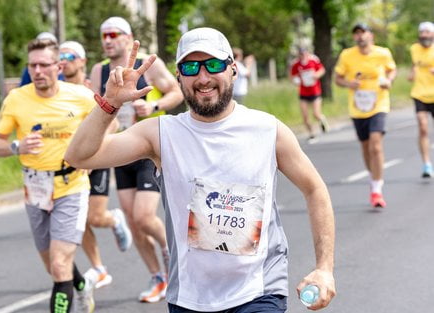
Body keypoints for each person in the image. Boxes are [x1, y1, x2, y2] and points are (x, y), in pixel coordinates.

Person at [66, 27, 336, 312]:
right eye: (191, 67)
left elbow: (315, 188)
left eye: (214, 65)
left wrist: (325, 268)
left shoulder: (268, 130)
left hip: (260, 290)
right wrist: (111, 103)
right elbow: (79, 156)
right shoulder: (160, 134)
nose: (203, 77)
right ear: (179, 75)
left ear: (233, 69)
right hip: (190, 297)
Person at [0, 38, 95, 313]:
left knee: (59, 265)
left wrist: (93, 157)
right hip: (35, 188)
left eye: (44, 65)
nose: (37, 71)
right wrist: (16, 146)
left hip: (72, 185)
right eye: (32, 65)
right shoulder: (17, 99)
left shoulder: (80, 96)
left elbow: (110, 124)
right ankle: (81, 286)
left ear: (58, 66)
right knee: (54, 265)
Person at [89, 16, 183, 303]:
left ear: (128, 38)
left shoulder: (148, 64)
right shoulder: (99, 70)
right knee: (132, 218)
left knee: (144, 216)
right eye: (104, 35)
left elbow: (176, 92)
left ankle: (174, 258)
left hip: (148, 148)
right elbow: (93, 105)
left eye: (114, 34)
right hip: (119, 148)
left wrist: (153, 105)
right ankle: (158, 276)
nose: (107, 40)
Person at [59, 40, 132, 289]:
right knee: (80, 221)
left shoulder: (90, 91)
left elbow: (113, 123)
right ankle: (99, 267)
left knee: (96, 217)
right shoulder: (55, 93)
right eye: (60, 56)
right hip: (69, 163)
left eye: (69, 56)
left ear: (81, 61)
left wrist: (92, 153)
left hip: (95, 159)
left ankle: (113, 220)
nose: (63, 60)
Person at [335, 23, 397, 209]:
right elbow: (337, 79)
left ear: (371, 35)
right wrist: (349, 83)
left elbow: (391, 70)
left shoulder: (383, 53)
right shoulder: (346, 55)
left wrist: (388, 80)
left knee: (375, 145)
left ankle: (376, 189)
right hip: (358, 107)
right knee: (365, 146)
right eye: (357, 34)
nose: (360, 36)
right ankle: (373, 179)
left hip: (379, 103)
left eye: (363, 33)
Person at [408, 21, 434, 178]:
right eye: (422, 32)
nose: (424, 35)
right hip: (419, 93)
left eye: (427, 32)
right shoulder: (414, 49)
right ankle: (426, 164)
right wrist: (412, 73)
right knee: (423, 127)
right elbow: (414, 66)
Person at [290, 45, 329, 142]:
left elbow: (322, 70)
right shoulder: (296, 64)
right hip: (303, 93)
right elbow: (292, 76)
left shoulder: (313, 60)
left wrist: (316, 75)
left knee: (316, 114)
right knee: (305, 116)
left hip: (315, 91)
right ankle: (312, 134)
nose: (303, 55)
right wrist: (296, 80)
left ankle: (322, 120)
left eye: (304, 53)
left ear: (307, 53)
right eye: (301, 54)